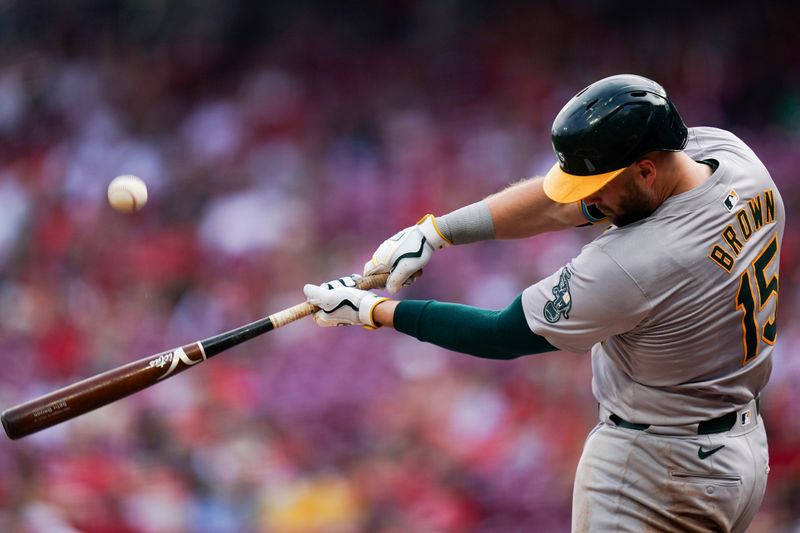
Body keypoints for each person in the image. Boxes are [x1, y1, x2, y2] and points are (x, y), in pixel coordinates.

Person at [303, 74, 783, 532]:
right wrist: (437, 230)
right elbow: (561, 203)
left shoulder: (635, 262)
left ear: (645, 169)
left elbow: (501, 334)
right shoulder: (730, 157)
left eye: (599, 186)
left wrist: (371, 311)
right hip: (737, 451)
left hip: (659, 467)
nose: (590, 198)